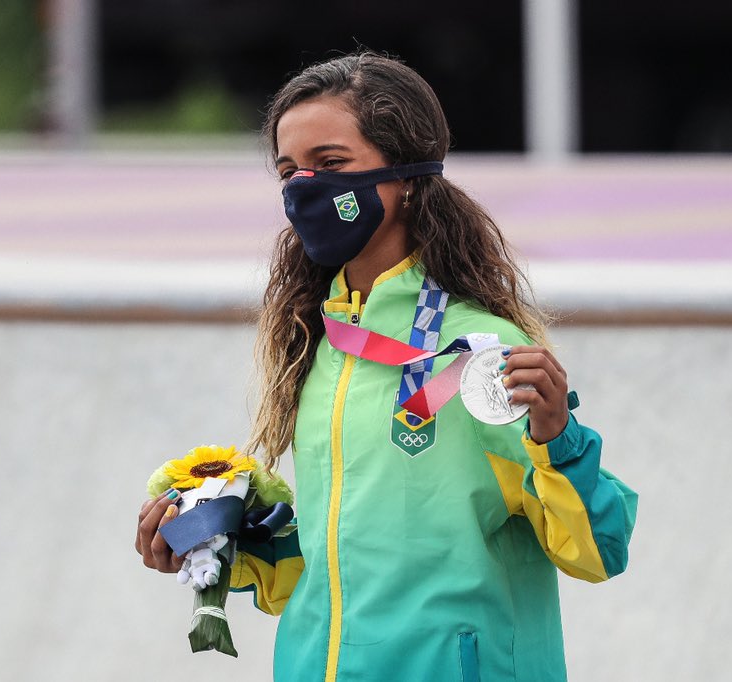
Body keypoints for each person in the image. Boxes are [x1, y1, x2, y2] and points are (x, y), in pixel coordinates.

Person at [137, 52, 638, 682]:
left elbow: (597, 550)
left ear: (405, 175)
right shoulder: (319, 347)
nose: (303, 188)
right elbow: (338, 566)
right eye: (288, 171)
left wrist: (556, 438)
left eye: (331, 165)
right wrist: (219, 541)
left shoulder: (482, 351)